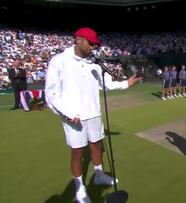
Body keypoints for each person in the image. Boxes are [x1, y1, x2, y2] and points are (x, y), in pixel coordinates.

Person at [45, 27, 141, 203]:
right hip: (73, 116)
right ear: (79, 40)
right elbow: (51, 93)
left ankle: (98, 175)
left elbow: (106, 85)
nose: (93, 48)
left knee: (97, 146)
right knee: (77, 153)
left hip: (94, 113)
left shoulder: (95, 63)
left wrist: (126, 83)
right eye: (91, 44)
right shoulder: (59, 61)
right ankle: (79, 187)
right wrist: (66, 113)